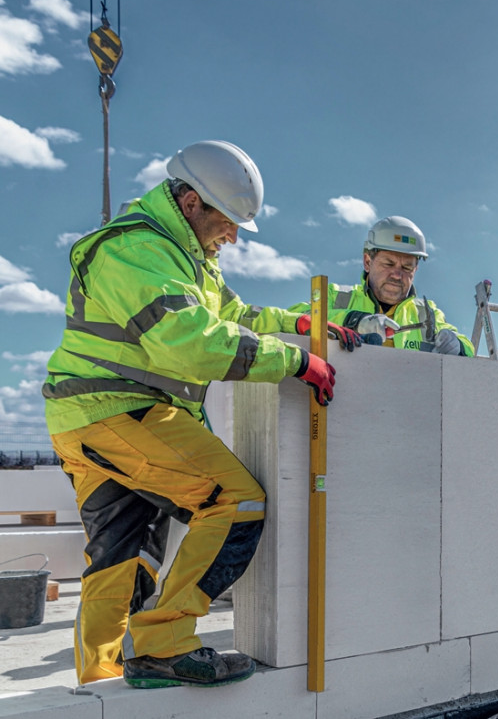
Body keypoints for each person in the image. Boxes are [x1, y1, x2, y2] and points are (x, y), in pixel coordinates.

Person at [42, 140, 361, 689]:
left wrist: (299, 323)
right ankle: (163, 645)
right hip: (116, 411)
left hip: (95, 418)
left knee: (123, 557)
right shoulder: (135, 250)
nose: (233, 235)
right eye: (228, 220)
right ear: (191, 202)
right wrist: (295, 362)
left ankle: (99, 686)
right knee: (236, 501)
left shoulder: (185, 256)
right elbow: (190, 342)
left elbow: (232, 314)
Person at [294, 216, 474, 356]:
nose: (397, 275)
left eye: (406, 267)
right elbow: (293, 318)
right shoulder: (338, 297)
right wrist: (356, 321)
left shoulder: (426, 313)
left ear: (415, 269)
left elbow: (467, 347)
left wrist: (458, 346)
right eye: (388, 264)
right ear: (367, 261)